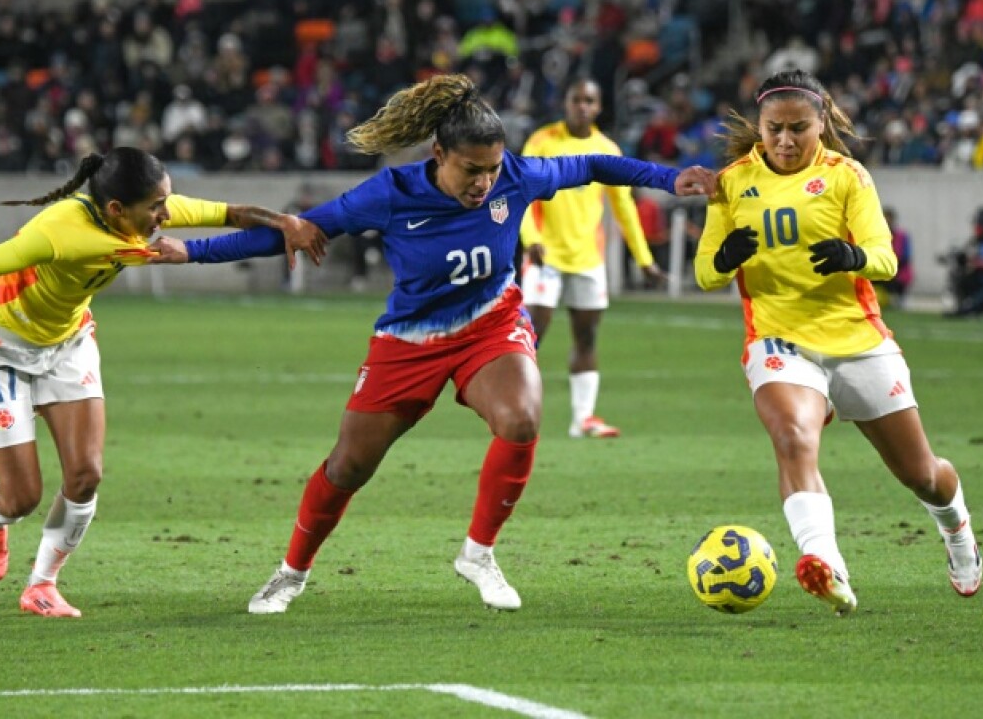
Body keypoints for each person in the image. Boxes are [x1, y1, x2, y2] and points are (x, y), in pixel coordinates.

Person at [151, 73, 716, 614]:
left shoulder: (518, 176)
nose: (484, 183)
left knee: (521, 419)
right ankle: (291, 572)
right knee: (348, 466)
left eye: (492, 169)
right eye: (471, 170)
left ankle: (479, 553)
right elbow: (295, 232)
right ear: (439, 155)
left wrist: (669, 179)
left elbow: (593, 163)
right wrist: (193, 252)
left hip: (490, 325)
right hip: (410, 339)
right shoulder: (391, 193)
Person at [0, 147, 327, 619]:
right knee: (23, 497)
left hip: (67, 343)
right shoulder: (59, 230)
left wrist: (284, 221)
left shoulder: (148, 207)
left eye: (166, 202)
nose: (167, 214)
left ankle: (42, 584)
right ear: (117, 210)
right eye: (157, 207)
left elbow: (233, 213)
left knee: (86, 475)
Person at [694, 70, 983, 616]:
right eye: (774, 129)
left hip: (857, 340)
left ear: (821, 122)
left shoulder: (848, 176)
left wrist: (854, 257)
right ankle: (826, 564)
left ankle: (957, 527)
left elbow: (886, 259)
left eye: (798, 129)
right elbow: (706, 273)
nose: (784, 141)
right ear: (760, 125)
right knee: (792, 436)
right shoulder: (731, 182)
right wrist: (725, 258)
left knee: (921, 474)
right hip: (778, 340)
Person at [519, 78, 665, 439]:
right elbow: (520, 191)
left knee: (586, 338)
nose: (582, 106)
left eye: (589, 100)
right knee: (529, 337)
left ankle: (582, 418)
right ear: (566, 103)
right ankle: (516, 412)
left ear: (598, 107)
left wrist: (644, 259)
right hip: (546, 256)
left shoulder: (607, 150)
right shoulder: (542, 141)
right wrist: (531, 239)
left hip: (588, 259)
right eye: (576, 99)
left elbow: (624, 207)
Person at [874, 207, 913, 309]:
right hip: (881, 268)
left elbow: (906, 257)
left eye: (888, 218)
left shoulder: (902, 236)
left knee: (894, 277)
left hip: (898, 269)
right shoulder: (876, 235)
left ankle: (897, 298)